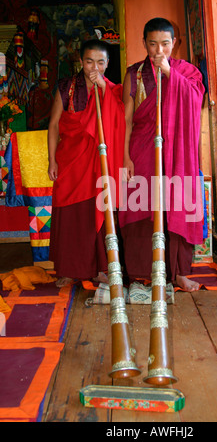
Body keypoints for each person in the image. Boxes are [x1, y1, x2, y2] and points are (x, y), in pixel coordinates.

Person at [118, 17, 205, 292]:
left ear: (174, 43)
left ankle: (178, 273)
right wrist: (125, 158)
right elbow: (127, 119)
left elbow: (195, 101)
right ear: (144, 43)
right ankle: (141, 272)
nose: (159, 51)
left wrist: (169, 73)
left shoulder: (187, 72)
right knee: (141, 206)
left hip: (177, 150)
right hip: (142, 147)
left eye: (165, 44)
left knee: (176, 205)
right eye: (153, 44)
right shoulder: (133, 73)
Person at [48, 39, 125, 287]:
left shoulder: (113, 90)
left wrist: (102, 87)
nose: (94, 67)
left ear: (107, 63)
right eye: (89, 61)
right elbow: (54, 125)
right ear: (80, 61)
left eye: (100, 62)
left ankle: (99, 268)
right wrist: (52, 160)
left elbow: (120, 124)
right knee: (70, 216)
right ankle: (68, 270)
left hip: (98, 163)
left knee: (98, 212)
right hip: (70, 161)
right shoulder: (67, 87)